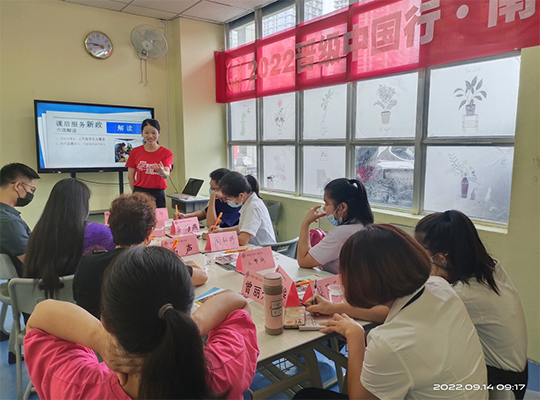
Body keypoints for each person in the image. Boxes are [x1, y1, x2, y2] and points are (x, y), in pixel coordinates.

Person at [25, 246, 259, 400]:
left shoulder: (79, 388)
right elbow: (236, 301)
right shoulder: (222, 372)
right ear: (184, 312)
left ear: (106, 321)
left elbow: (41, 317)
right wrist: (194, 325)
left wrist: (98, 339)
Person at [294, 224, 488, 400]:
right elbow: (390, 312)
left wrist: (355, 336)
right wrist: (336, 307)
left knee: (305, 396)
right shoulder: (439, 287)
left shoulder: (388, 343)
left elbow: (360, 398)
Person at [415, 210, 528, 400]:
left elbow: (408, 317)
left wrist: (345, 309)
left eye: (420, 256)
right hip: (516, 374)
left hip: (500, 383)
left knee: (416, 378)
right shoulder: (491, 267)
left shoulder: (464, 295)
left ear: (441, 259)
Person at [74, 192, 208, 319]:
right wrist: (181, 263)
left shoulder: (86, 264)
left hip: (91, 340)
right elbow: (202, 276)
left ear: (111, 227)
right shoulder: (160, 264)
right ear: (149, 233)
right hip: (143, 340)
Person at [23, 178, 115, 298]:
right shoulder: (101, 233)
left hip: (41, 307)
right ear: (83, 205)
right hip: (84, 307)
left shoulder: (37, 234)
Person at [297, 178, 374, 274]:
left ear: (342, 207)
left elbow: (303, 261)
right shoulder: (365, 225)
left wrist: (306, 223)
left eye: (327, 203)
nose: (324, 208)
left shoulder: (342, 233)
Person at [203, 172, 275, 246]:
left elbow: (242, 240)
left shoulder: (253, 207)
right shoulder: (248, 202)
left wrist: (216, 238)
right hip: (253, 246)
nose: (228, 201)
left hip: (263, 250)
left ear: (241, 195)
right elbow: (242, 228)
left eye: (229, 198)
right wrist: (221, 231)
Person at [0, 163, 40, 277]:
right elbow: (34, 263)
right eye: (31, 189)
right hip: (26, 287)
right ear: (18, 185)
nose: (31, 194)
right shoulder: (9, 222)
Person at [126, 119, 173, 208]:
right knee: (139, 221)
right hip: (139, 192)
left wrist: (161, 171)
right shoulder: (135, 152)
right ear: (142, 133)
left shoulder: (166, 153)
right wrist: (135, 194)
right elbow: (130, 176)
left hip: (158, 194)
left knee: (159, 220)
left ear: (159, 133)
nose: (150, 136)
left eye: (154, 133)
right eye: (146, 132)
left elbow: (166, 175)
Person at [174, 168, 240, 228]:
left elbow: (212, 224)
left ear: (223, 189)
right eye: (210, 186)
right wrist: (185, 216)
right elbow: (204, 213)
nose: (211, 190)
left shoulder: (234, 204)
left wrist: (212, 197)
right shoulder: (219, 200)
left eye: (213, 188)